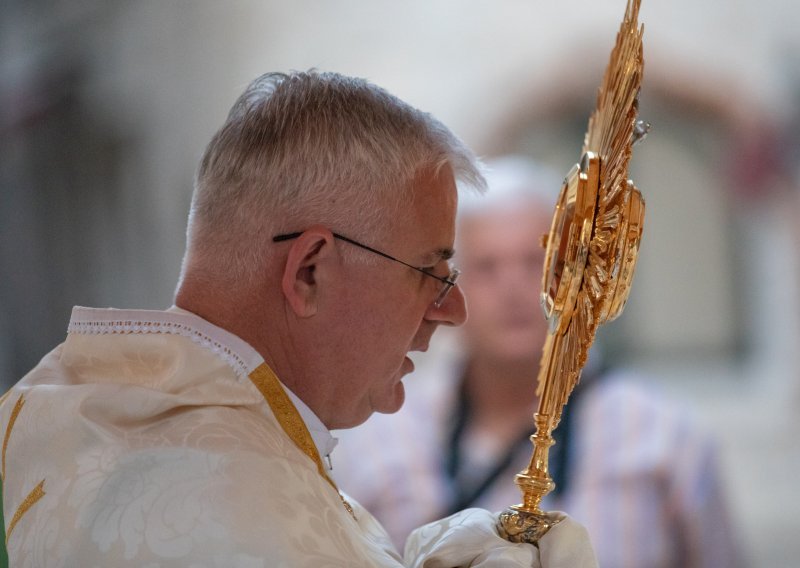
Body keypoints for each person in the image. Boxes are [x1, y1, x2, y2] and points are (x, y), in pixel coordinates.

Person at [0, 73, 597, 567]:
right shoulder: (246, 507)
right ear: (309, 270)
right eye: (431, 270)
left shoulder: (42, 417)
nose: (452, 309)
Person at [334, 155, 745, 568]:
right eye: (486, 267)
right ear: (444, 288)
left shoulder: (666, 439)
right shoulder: (379, 444)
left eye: (538, 263)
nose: (514, 289)